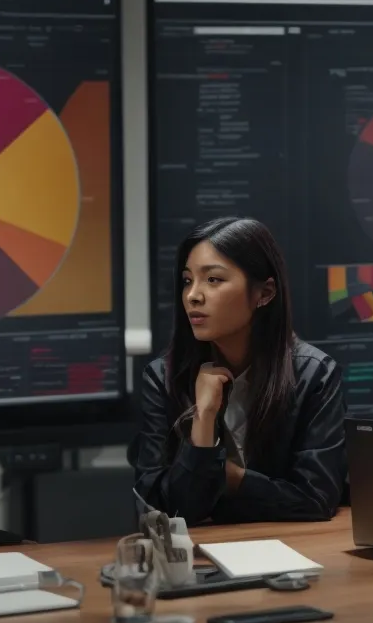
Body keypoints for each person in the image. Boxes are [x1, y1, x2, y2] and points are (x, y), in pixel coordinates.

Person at [130, 217, 347, 524]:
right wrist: (204, 418)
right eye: (188, 280)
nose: (193, 295)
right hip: (194, 560)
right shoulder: (162, 378)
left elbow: (316, 499)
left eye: (213, 280)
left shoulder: (314, 375)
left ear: (265, 293)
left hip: (291, 552)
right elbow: (162, 510)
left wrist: (232, 479)